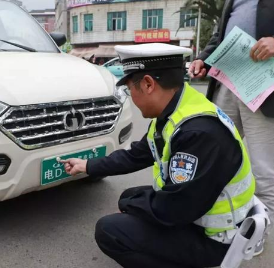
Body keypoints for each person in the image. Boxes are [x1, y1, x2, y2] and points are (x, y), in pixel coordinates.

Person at [61, 43, 256, 268]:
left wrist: (131, 205)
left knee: (109, 230)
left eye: (129, 89)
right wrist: (87, 166)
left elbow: (175, 209)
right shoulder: (177, 111)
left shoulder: (198, 132)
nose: (131, 97)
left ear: (148, 84)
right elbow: (136, 155)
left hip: (216, 239)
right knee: (130, 197)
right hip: (199, 211)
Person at [189, 0, 274, 220]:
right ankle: (219, 221)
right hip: (228, 83)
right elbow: (221, 36)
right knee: (214, 156)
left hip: (264, 89)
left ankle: (256, 233)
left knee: (264, 172)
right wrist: (202, 60)